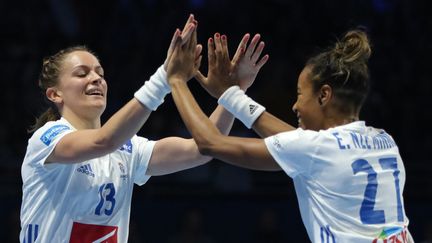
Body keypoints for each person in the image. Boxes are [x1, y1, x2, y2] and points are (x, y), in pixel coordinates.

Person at [19, 15, 265, 242]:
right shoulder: (47, 139)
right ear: (55, 94)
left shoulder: (129, 148)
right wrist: (164, 77)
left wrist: (235, 92)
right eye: (81, 74)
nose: (96, 78)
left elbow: (205, 149)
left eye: (100, 73)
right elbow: (103, 141)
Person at [166, 26, 414, 242]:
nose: (295, 106)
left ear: (323, 95)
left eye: (299, 94)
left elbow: (210, 143)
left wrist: (176, 79)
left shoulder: (314, 150)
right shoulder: (384, 142)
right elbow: (300, 144)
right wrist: (232, 95)